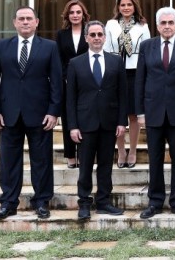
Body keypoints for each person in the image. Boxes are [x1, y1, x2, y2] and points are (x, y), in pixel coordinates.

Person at [0, 6, 61, 220]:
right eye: (21, 19)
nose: (25, 22)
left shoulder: (49, 47)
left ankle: (42, 201)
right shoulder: (1, 46)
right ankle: (8, 203)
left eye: (29, 18)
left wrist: (54, 111)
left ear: (37, 22)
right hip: (8, 114)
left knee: (42, 160)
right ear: (14, 23)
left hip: (40, 114)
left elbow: (56, 82)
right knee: (9, 161)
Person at [135, 7, 175, 219]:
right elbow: (140, 81)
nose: (167, 26)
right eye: (163, 23)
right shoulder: (146, 46)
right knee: (154, 158)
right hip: (153, 112)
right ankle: (155, 202)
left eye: (171, 23)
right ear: (157, 25)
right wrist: (140, 112)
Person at [66, 20, 128, 220]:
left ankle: (103, 201)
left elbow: (122, 94)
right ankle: (84, 203)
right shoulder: (75, 63)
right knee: (84, 166)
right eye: (92, 35)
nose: (96, 38)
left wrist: (121, 122)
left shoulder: (116, 61)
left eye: (100, 34)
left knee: (105, 165)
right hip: (85, 124)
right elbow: (71, 98)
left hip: (109, 123)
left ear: (105, 37)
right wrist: (73, 126)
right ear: (86, 38)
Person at [104, 0, 151, 169]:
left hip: (135, 72)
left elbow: (146, 51)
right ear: (118, 7)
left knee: (133, 113)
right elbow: (107, 48)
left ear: (135, 6)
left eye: (129, 5)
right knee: (118, 114)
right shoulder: (111, 24)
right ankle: (121, 150)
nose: (126, 8)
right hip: (115, 71)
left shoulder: (142, 25)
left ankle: (132, 150)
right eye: (122, 5)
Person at [55, 0, 90, 169]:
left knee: (85, 117)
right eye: (72, 12)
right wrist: (66, 76)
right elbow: (58, 58)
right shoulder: (61, 34)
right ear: (67, 16)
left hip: (87, 82)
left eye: (78, 12)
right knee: (68, 117)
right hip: (66, 82)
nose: (75, 15)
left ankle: (84, 154)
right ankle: (70, 154)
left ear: (83, 14)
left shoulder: (90, 32)